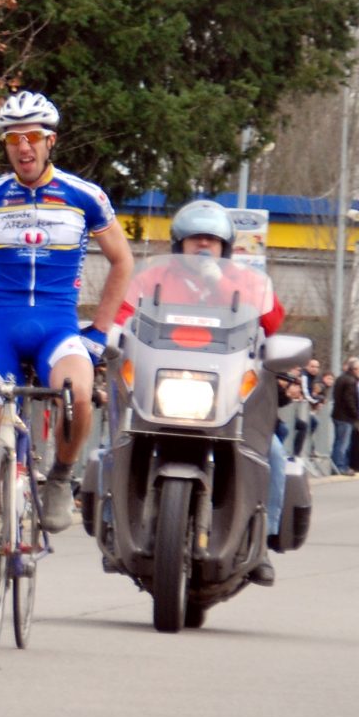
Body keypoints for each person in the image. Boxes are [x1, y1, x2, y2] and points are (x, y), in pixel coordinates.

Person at [0, 90, 133, 614]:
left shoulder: (84, 196)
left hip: (57, 326)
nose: (23, 148)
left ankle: (60, 478)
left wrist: (98, 334)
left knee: (77, 394)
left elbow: (121, 261)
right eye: (13, 139)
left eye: (32, 138)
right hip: (3, 327)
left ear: (50, 141)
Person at [115, 200, 287, 585]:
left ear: (226, 247)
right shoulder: (152, 277)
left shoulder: (247, 280)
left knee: (272, 450)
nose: (204, 247)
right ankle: (112, 524)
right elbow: (122, 316)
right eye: (196, 240)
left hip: (225, 391)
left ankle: (264, 541)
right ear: (179, 244)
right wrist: (112, 337)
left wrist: (221, 282)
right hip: (160, 384)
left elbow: (272, 322)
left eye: (212, 240)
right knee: (116, 441)